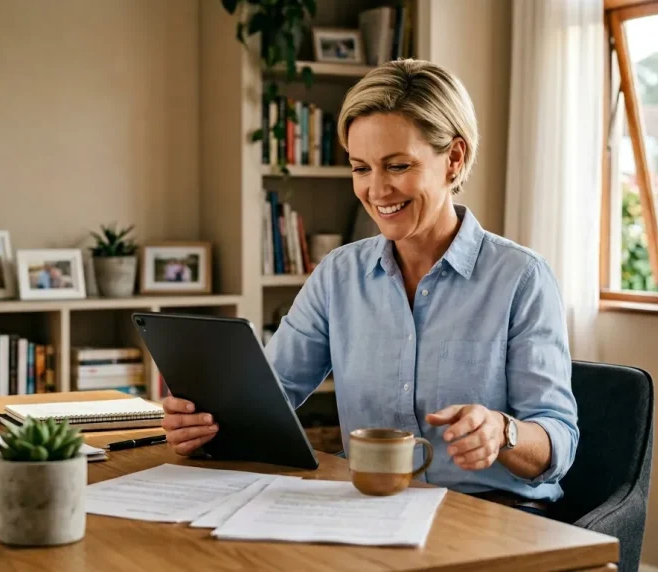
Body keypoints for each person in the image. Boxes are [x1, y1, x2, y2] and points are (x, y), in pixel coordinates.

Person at [162, 59, 578, 513]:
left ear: (453, 159)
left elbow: (558, 442)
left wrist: (503, 431)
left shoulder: (521, 278)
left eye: (397, 166)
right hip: (367, 505)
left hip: (491, 512)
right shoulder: (338, 275)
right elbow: (269, 394)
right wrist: (205, 424)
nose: (377, 191)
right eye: (361, 168)